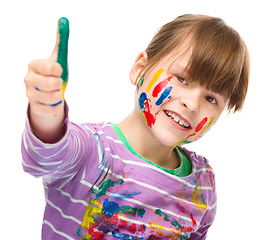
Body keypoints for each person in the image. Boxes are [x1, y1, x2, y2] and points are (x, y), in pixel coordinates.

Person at [22, 14, 249, 240]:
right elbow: (46, 155)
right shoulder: (92, 152)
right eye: (181, 78)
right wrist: (46, 111)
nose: (191, 104)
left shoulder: (202, 186)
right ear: (140, 68)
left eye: (211, 99)